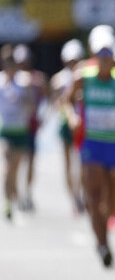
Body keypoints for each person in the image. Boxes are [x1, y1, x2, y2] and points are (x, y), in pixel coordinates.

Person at [63, 27, 115, 267]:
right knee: (94, 198)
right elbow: (66, 99)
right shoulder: (82, 76)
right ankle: (102, 244)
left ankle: (105, 231)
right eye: (100, 53)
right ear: (94, 54)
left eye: (108, 53)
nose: (105, 58)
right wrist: (73, 117)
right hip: (93, 144)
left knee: (111, 201)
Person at [0, 44, 38, 221]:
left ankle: (15, 196)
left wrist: (24, 99)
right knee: (7, 168)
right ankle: (8, 203)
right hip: (6, 130)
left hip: (21, 130)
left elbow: (32, 105)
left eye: (11, 63)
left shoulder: (24, 82)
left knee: (15, 169)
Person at [50, 39, 86, 215]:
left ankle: (80, 195)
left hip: (82, 124)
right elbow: (55, 103)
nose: (72, 64)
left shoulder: (85, 75)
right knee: (68, 164)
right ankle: (74, 198)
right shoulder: (58, 79)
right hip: (66, 124)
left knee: (80, 163)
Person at [13, 44, 48, 211]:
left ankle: (27, 192)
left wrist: (42, 117)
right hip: (15, 127)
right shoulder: (11, 78)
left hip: (31, 127)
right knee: (15, 163)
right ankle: (16, 194)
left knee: (31, 162)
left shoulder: (37, 78)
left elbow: (45, 99)